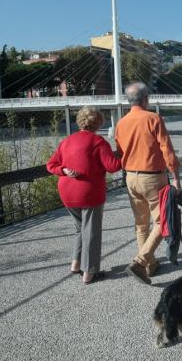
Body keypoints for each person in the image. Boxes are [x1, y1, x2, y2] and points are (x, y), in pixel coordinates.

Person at [115, 82, 181, 284]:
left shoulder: (121, 123)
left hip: (131, 177)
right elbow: (167, 151)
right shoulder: (153, 118)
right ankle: (140, 261)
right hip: (153, 176)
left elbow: (119, 153)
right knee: (163, 221)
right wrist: (176, 178)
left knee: (141, 224)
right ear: (146, 99)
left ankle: (150, 266)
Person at [47, 106, 122, 285]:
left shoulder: (67, 141)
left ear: (80, 121)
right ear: (98, 123)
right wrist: (123, 153)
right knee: (92, 233)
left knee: (80, 229)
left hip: (67, 192)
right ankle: (90, 272)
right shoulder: (97, 141)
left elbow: (51, 165)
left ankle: (76, 263)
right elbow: (113, 166)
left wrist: (63, 169)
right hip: (89, 193)